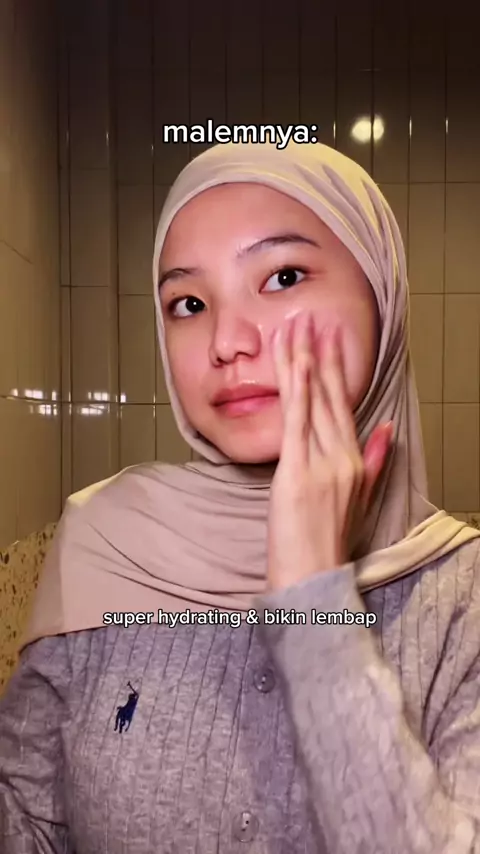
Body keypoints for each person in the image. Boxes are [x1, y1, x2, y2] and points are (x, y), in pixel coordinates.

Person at [1, 140, 480, 854]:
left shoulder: (465, 599)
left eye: (283, 277)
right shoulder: (105, 541)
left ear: (382, 297)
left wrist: (312, 603)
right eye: (188, 303)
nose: (226, 341)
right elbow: (28, 822)